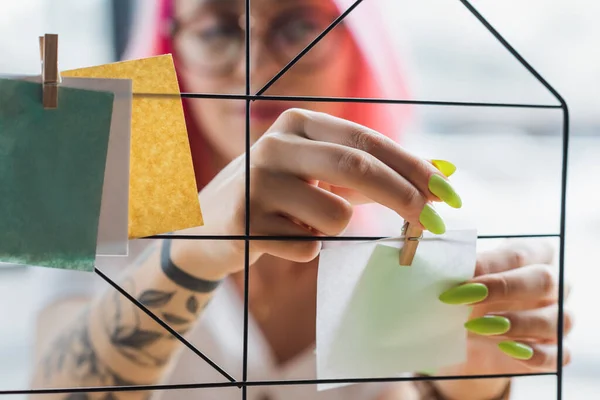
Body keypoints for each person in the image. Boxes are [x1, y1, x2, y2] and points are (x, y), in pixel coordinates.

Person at [30, 0, 573, 399]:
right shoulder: (100, 179)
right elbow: (49, 389)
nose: (256, 67)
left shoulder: (422, 219)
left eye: (298, 28)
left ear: (358, 49)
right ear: (172, 49)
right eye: (217, 28)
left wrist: (471, 386)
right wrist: (194, 252)